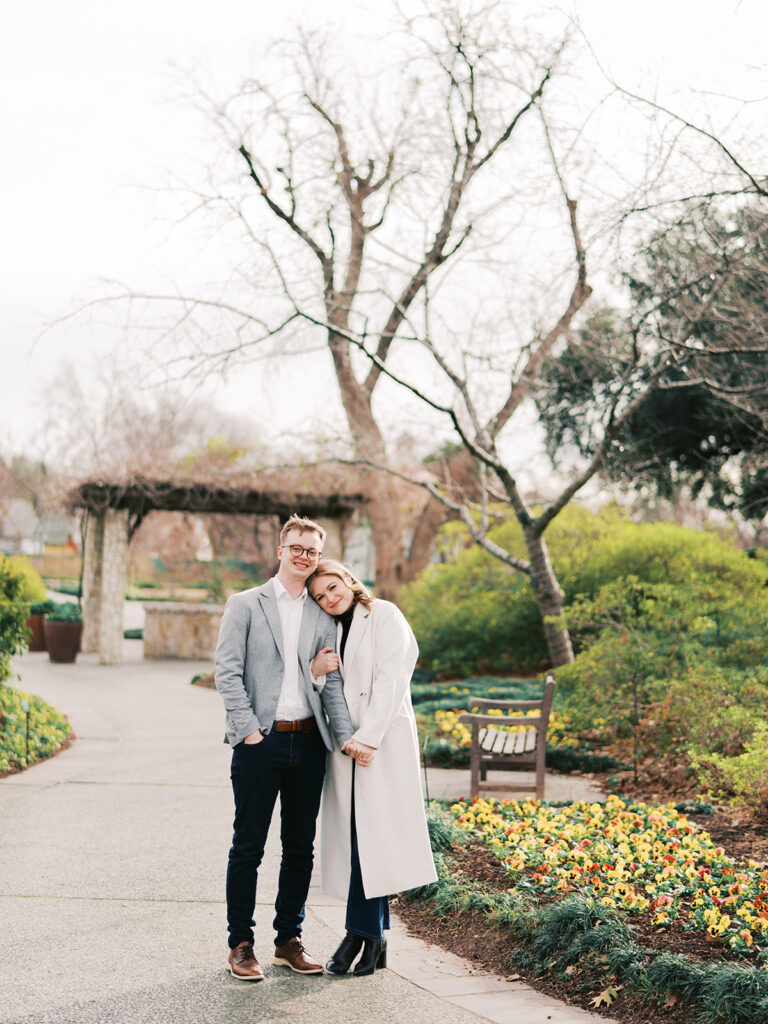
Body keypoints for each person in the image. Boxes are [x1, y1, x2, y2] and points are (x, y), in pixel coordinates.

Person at [214, 516, 355, 982]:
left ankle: (287, 940)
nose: (304, 557)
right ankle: (240, 944)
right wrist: (250, 731)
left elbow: (330, 678)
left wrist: (344, 737)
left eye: (312, 551)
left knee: (300, 848)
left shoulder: (322, 610)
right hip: (260, 742)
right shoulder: (244, 605)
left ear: (319, 555)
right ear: (281, 550)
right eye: (296, 548)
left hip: (309, 742)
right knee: (248, 847)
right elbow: (227, 673)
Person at [308, 560, 437, 976]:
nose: (329, 598)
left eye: (332, 587)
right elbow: (327, 686)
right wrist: (314, 673)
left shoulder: (384, 614)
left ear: (347, 579)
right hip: (345, 747)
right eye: (320, 597)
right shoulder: (330, 630)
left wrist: (368, 738)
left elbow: (391, 679)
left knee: (372, 842)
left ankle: (357, 935)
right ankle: (374, 938)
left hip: (380, 743)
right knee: (359, 842)